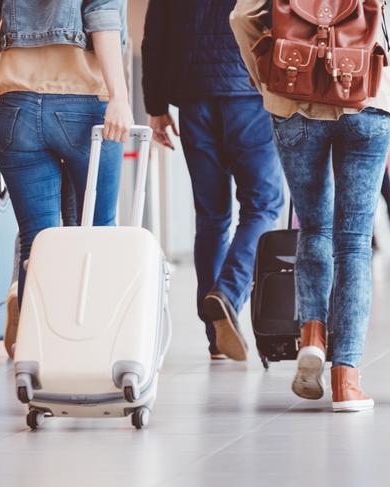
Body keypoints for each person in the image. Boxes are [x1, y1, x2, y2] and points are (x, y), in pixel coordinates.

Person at [231, 0, 390, 411]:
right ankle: (346, 379)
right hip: (367, 97)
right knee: (354, 243)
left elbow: (241, 17)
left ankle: (312, 334)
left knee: (313, 228)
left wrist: (267, 82)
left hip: (294, 98)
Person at [0, 0, 133, 312]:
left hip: (16, 110)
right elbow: (104, 17)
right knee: (98, 233)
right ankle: (92, 339)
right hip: (84, 107)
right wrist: (119, 97)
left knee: (38, 244)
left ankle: (35, 346)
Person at [142, 0, 284, 361]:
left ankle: (215, 335)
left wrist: (156, 105)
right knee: (264, 205)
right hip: (249, 93)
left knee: (211, 217)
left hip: (194, 98)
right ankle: (229, 294)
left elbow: (154, 37)